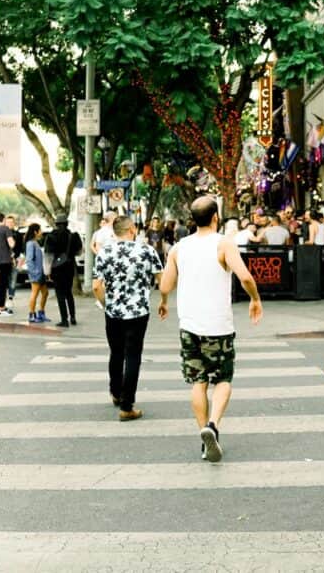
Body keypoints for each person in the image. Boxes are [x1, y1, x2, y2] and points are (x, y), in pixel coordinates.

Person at [157, 196, 263, 463]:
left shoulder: (179, 248)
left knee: (198, 382)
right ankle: (213, 425)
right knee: (223, 380)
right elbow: (246, 277)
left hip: (189, 325)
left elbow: (165, 285)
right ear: (215, 217)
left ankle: (204, 439)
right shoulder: (224, 244)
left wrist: (164, 302)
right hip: (218, 326)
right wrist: (255, 299)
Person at [93, 216, 163, 421]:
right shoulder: (146, 251)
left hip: (113, 312)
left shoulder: (104, 252)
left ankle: (115, 392)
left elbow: (97, 286)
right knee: (133, 355)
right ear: (132, 229)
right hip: (138, 312)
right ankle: (127, 405)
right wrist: (164, 300)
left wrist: (106, 304)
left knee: (116, 352)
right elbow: (163, 279)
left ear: (114, 232)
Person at [45, 214, 83, 327]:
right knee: (69, 293)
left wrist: (47, 271)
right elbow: (79, 252)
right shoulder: (73, 236)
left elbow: (48, 256)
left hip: (56, 268)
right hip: (70, 267)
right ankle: (73, 317)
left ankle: (64, 319)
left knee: (60, 294)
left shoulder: (51, 236)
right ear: (67, 224)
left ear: (56, 224)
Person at [24, 223, 51, 323]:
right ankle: (31, 314)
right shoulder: (31, 243)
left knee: (45, 293)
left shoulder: (35, 243)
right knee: (34, 293)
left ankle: (41, 312)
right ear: (35, 232)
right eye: (40, 230)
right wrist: (34, 272)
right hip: (36, 273)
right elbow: (29, 260)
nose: (41, 232)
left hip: (41, 272)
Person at [6, 215, 22, 304]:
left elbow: (20, 248)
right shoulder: (3, 233)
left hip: (14, 260)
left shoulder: (18, 235)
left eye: (11, 222)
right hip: (4, 260)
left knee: (13, 279)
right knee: (4, 279)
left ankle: (11, 296)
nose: (10, 224)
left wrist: (17, 258)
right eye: (8, 222)